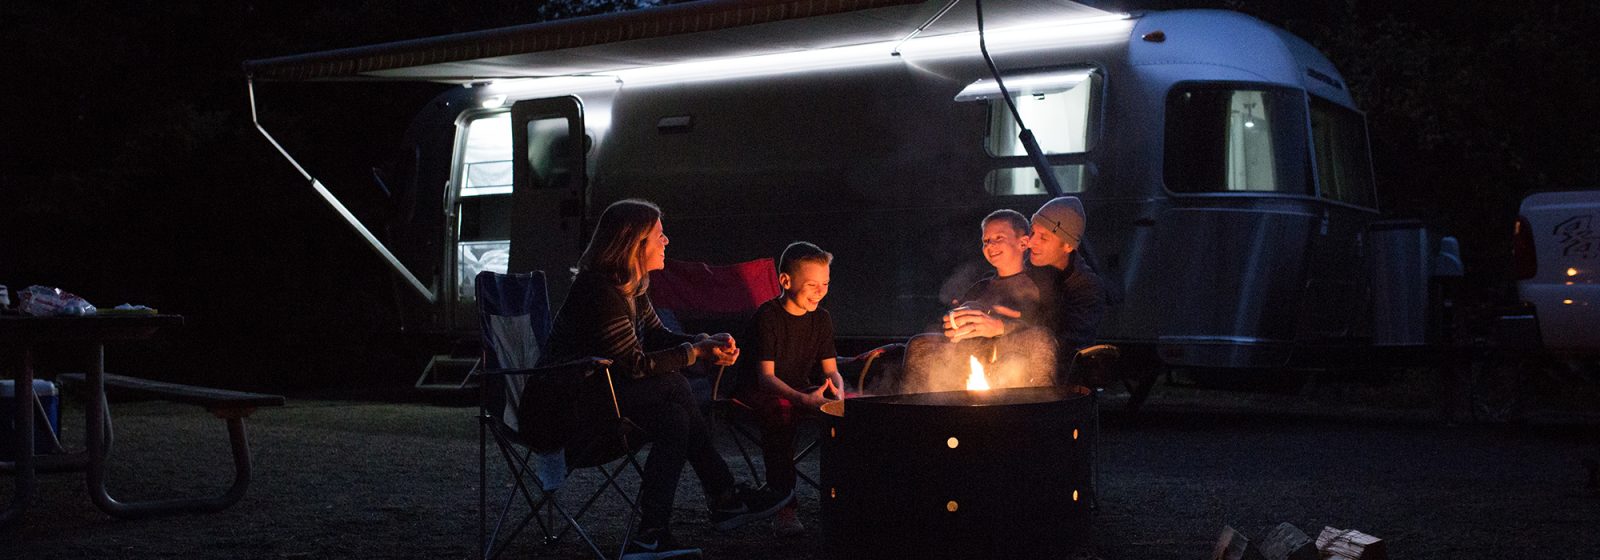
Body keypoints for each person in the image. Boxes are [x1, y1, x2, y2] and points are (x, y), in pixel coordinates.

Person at [537, 199, 790, 560]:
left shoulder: (631, 285)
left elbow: (657, 336)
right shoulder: (600, 291)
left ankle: (652, 535)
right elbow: (635, 366)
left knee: (674, 418)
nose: (666, 240)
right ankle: (724, 494)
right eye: (659, 234)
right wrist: (695, 353)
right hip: (567, 415)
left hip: (604, 400)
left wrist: (704, 343)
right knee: (674, 385)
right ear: (634, 243)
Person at [741, 241, 844, 536]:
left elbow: (831, 370)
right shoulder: (768, 316)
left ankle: (848, 495)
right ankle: (784, 507)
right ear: (785, 281)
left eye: (825, 284)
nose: (820, 291)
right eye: (812, 284)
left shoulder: (821, 318)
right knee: (780, 414)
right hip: (760, 390)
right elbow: (765, 378)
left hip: (799, 387)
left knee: (853, 409)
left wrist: (837, 392)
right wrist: (802, 399)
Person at [903, 210, 1060, 392]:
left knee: (1041, 341)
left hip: (1014, 358)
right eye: (986, 241)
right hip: (972, 356)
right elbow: (953, 322)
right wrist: (953, 322)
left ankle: (1041, 404)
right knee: (919, 344)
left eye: (999, 238)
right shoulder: (981, 287)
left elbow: (1048, 330)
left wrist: (1001, 327)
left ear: (1023, 243)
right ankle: (915, 404)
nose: (990, 245)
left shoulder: (1042, 283)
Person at [1022, 196, 1108, 377]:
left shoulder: (1086, 288)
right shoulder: (1020, 270)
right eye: (1032, 232)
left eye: (1043, 237)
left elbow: (1067, 347)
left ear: (1068, 246)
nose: (1030, 242)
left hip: (1061, 382)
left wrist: (1006, 328)